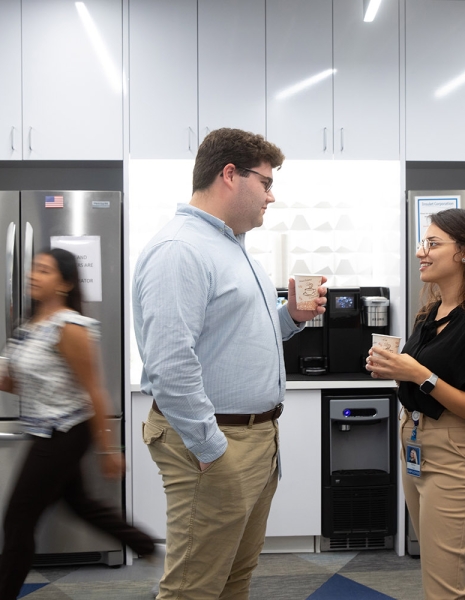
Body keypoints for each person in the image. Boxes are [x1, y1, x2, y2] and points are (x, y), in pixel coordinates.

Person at [132, 127, 327, 600]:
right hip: (215, 442)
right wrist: (211, 448)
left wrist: (291, 318)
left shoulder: (233, 247)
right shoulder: (181, 250)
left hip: (255, 439)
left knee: (233, 579)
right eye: (265, 182)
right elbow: (170, 364)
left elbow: (241, 338)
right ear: (229, 175)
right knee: (193, 588)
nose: (272, 196)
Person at [366, 208, 465, 600]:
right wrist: (396, 371)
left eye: (433, 244)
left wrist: (419, 373)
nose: (422, 252)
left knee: (443, 587)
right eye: (425, 243)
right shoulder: (430, 315)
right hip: (417, 446)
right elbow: (421, 378)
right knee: (442, 576)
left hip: (456, 454)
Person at [0, 248, 155, 600]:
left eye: (44, 270)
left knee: (17, 519)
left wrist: (109, 450)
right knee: (80, 504)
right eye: (34, 269)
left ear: (65, 283)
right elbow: (12, 382)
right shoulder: (29, 326)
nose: (33, 275)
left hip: (65, 433)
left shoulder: (70, 327)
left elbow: (95, 392)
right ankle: (144, 543)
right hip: (45, 430)